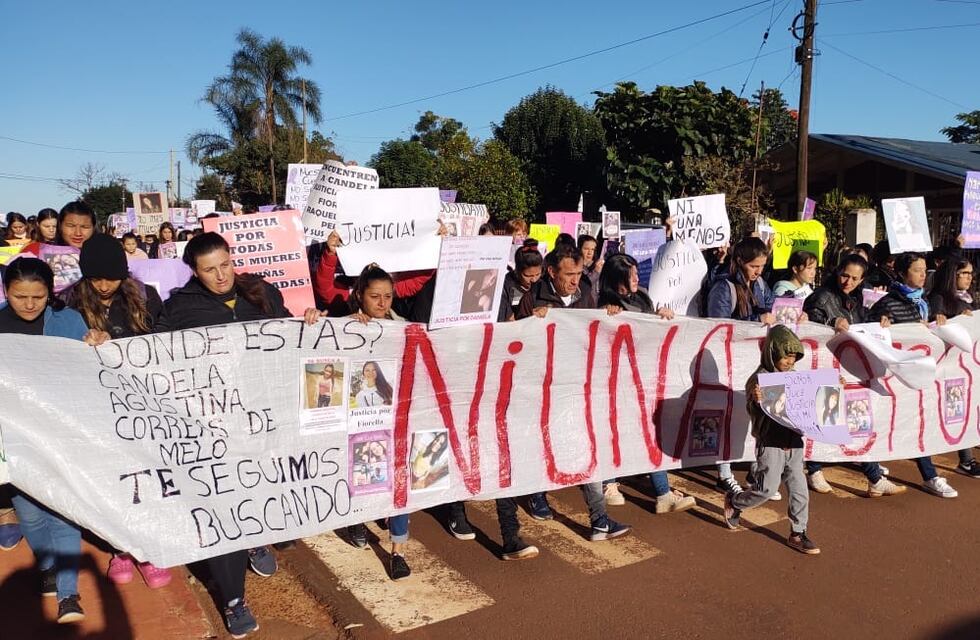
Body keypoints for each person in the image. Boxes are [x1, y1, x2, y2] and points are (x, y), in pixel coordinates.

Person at [155, 232, 290, 637]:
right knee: (222, 506)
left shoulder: (261, 290)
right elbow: (152, 357)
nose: (221, 276)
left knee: (260, 487)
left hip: (262, 418)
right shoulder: (179, 307)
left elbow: (289, 337)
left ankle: (256, 537)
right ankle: (233, 599)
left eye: (225, 265)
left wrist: (310, 322)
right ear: (194, 271)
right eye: (209, 269)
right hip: (210, 426)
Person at [62, 233, 172, 588]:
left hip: (144, 404)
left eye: (112, 277)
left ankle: (149, 550)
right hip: (97, 410)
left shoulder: (144, 297)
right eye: (95, 278)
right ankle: (120, 548)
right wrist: (82, 343)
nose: (105, 285)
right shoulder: (68, 304)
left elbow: (167, 340)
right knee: (114, 480)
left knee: (149, 477)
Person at [0, 258, 107, 622]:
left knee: (63, 512)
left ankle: (68, 594)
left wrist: (98, 343)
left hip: (60, 435)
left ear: (50, 293)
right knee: (30, 516)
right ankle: (46, 564)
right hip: (13, 440)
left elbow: (91, 370)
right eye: (20, 296)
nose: (29, 305)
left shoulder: (69, 321)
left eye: (38, 296)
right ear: (5, 292)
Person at [515, 244, 632, 541]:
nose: (574, 280)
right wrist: (532, 322)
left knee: (588, 448)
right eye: (569, 274)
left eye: (579, 273)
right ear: (552, 272)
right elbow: (518, 344)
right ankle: (536, 494)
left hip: (578, 388)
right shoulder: (531, 299)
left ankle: (599, 519)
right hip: (542, 390)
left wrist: (609, 314)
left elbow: (594, 332)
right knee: (541, 446)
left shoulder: (587, 295)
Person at [599, 253, 696, 514]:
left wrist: (660, 317)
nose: (636, 277)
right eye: (630, 274)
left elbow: (650, 332)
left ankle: (663, 492)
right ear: (617, 278)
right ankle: (608, 483)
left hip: (642, 380)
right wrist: (607, 317)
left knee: (648, 432)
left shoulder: (642, 296)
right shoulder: (602, 304)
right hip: (613, 383)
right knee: (612, 433)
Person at [802, 254, 904, 497]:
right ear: (838, 271)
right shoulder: (821, 297)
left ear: (862, 280)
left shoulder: (856, 299)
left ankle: (873, 477)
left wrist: (880, 321)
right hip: (824, 367)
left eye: (855, 278)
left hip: (846, 369)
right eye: (844, 275)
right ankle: (815, 470)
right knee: (826, 418)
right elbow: (807, 325)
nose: (848, 281)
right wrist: (829, 321)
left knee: (854, 421)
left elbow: (861, 324)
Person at [724, 324, 819, 555]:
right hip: (771, 442)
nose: (790, 362)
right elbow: (752, 410)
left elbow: (812, 401)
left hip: (794, 442)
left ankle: (798, 532)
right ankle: (735, 502)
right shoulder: (758, 379)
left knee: (799, 489)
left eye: (794, 358)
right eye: (786, 356)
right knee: (766, 489)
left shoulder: (796, 378)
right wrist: (755, 400)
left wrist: (833, 388)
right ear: (773, 353)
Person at [869, 252, 958, 498]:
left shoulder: (923, 302)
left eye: (924, 269)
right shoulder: (887, 303)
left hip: (916, 375)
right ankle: (872, 469)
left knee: (917, 423)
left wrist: (936, 324)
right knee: (885, 423)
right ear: (902, 273)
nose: (923, 275)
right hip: (892, 378)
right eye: (917, 270)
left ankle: (928, 476)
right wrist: (882, 327)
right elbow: (872, 335)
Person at [705, 237, 783, 495]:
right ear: (739, 262)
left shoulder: (759, 283)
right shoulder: (723, 287)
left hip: (752, 360)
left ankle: (755, 471)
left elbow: (773, 305)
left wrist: (790, 309)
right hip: (728, 361)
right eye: (754, 266)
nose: (759, 271)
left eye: (762, 266)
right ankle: (724, 473)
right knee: (728, 414)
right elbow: (718, 326)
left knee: (755, 413)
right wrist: (754, 319)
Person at [927, 257, 980, 477]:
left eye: (970, 274)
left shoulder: (969, 299)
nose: (970, 278)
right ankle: (965, 459)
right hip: (947, 367)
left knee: (965, 407)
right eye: (965, 273)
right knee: (955, 408)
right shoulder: (939, 299)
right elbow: (933, 327)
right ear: (953, 275)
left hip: (966, 367)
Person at [502, 245, 544, 320]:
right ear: (517, 270)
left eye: (537, 274)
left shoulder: (542, 284)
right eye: (528, 275)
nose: (534, 279)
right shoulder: (505, 286)